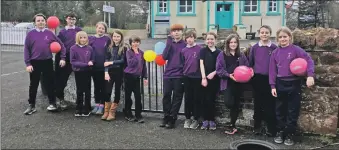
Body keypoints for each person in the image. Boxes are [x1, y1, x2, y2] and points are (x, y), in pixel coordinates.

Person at [269, 27, 315, 146]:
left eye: (285, 36)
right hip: (280, 83)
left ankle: (289, 134)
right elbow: (272, 70)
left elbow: (309, 60)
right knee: (279, 110)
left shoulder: (296, 49)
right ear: (277, 39)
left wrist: (310, 75)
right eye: (280, 37)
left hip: (294, 83)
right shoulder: (275, 53)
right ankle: (280, 132)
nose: (283, 39)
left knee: (292, 110)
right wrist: (272, 86)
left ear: (290, 37)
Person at [23, 13, 66, 115]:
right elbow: (26, 50)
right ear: (35, 23)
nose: (40, 22)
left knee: (49, 84)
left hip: (47, 62)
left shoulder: (50, 33)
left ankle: (53, 104)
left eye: (42, 20)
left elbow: (62, 46)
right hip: (34, 63)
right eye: (38, 21)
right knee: (33, 85)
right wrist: (28, 64)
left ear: (45, 22)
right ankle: (32, 106)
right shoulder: (30, 34)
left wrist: (63, 58)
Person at [216, 34, 250, 134]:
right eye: (231, 42)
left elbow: (246, 66)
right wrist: (228, 75)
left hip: (239, 83)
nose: (233, 44)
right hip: (227, 82)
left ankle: (233, 125)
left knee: (236, 104)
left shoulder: (241, 55)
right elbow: (219, 70)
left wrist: (249, 71)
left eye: (235, 42)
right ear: (227, 43)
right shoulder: (222, 55)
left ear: (238, 43)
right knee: (228, 102)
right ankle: (232, 123)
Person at [249, 25, 278, 136]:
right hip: (258, 79)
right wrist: (251, 71)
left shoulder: (274, 48)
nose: (264, 34)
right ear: (259, 34)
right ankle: (257, 127)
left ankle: (271, 128)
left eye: (266, 32)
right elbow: (251, 63)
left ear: (270, 33)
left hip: (270, 79)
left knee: (270, 104)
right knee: (258, 103)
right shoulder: (254, 48)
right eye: (262, 32)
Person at [160, 24, 186, 129]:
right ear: (171, 33)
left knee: (177, 97)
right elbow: (164, 57)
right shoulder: (169, 44)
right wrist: (169, 44)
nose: (176, 32)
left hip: (179, 75)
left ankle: (172, 118)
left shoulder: (184, 44)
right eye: (174, 31)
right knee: (166, 95)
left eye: (179, 30)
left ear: (182, 32)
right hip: (168, 74)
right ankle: (166, 116)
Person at [55, 12, 82, 110]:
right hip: (64, 59)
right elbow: (59, 46)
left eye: (74, 19)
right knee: (61, 80)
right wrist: (62, 58)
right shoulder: (62, 32)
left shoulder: (79, 30)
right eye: (70, 19)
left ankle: (81, 103)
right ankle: (59, 99)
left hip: (75, 59)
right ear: (66, 19)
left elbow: (84, 42)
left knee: (81, 81)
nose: (72, 21)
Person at [102, 30, 127, 121]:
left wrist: (111, 62)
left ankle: (112, 112)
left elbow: (123, 61)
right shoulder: (108, 47)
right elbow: (105, 61)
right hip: (110, 72)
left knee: (117, 91)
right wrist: (106, 72)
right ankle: (106, 111)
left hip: (119, 73)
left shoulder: (124, 48)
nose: (116, 38)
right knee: (107, 91)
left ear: (121, 38)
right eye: (114, 36)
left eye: (118, 37)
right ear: (112, 37)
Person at [180, 30, 202, 129]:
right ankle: (188, 118)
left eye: (191, 37)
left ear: (194, 38)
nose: (189, 39)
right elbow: (182, 64)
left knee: (197, 98)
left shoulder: (200, 49)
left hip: (197, 77)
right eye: (187, 37)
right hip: (187, 77)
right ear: (185, 39)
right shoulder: (183, 51)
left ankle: (196, 119)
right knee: (188, 98)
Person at [199, 32, 221, 130]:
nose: (210, 41)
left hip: (215, 79)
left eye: (212, 39)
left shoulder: (219, 52)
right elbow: (201, 64)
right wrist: (204, 78)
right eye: (208, 39)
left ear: (215, 40)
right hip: (205, 79)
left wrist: (214, 73)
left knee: (212, 100)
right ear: (205, 40)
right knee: (204, 99)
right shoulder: (203, 51)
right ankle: (205, 120)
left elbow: (221, 66)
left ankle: (211, 120)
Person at [123, 35, 148, 123]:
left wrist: (145, 77)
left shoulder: (142, 53)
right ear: (130, 43)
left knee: (138, 96)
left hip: (137, 77)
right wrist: (136, 54)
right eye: (133, 42)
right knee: (128, 96)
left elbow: (144, 66)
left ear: (139, 43)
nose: (135, 44)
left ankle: (138, 114)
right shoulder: (129, 52)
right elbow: (131, 63)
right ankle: (128, 113)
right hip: (129, 76)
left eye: (137, 42)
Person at [70, 31, 94, 117]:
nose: (83, 39)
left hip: (87, 71)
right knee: (79, 90)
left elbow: (92, 59)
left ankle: (87, 107)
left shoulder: (90, 48)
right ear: (77, 38)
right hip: (78, 71)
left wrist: (91, 62)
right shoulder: (73, 48)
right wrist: (85, 64)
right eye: (81, 37)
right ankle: (78, 107)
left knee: (87, 90)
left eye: (84, 37)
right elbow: (73, 61)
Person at [89, 21, 111, 115]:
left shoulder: (107, 39)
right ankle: (97, 104)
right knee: (96, 87)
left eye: (103, 28)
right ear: (96, 28)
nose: (101, 30)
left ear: (105, 30)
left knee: (104, 87)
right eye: (99, 28)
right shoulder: (91, 38)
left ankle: (102, 105)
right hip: (94, 67)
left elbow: (109, 53)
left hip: (105, 68)